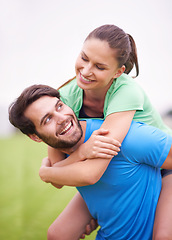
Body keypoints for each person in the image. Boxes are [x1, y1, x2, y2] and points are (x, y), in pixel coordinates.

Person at [49, 24, 172, 239]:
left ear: (118, 71)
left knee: (162, 235)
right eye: (84, 58)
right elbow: (59, 178)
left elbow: (91, 169)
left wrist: (49, 172)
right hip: (120, 168)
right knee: (58, 234)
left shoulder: (127, 91)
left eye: (99, 66)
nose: (86, 71)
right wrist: (56, 171)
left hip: (163, 166)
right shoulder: (64, 99)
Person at [9, 84, 172, 240]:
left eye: (59, 106)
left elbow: (88, 176)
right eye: (47, 119)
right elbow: (60, 179)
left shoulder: (126, 138)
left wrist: (45, 173)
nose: (62, 118)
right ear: (35, 137)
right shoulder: (60, 148)